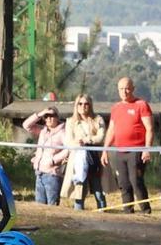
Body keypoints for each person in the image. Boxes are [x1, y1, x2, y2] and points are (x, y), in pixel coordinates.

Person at [107, 76, 154, 213]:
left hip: (136, 150)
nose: (124, 91)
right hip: (119, 151)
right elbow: (111, 130)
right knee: (123, 182)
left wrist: (147, 149)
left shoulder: (141, 105)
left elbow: (150, 129)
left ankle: (145, 209)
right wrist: (105, 150)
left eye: (127, 88)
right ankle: (127, 210)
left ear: (132, 88)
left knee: (136, 181)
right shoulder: (116, 108)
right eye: (121, 89)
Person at [66, 94, 109, 210]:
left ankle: (103, 214)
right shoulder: (70, 122)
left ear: (90, 105)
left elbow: (101, 137)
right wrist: (76, 142)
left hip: (94, 159)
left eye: (86, 104)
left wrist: (87, 140)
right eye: (80, 103)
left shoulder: (98, 119)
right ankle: (79, 217)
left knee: (98, 191)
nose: (83, 106)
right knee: (79, 192)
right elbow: (68, 141)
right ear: (76, 105)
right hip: (78, 161)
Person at [26, 106, 69, 205]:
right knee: (39, 207)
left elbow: (69, 149)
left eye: (52, 115)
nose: (49, 118)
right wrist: (40, 114)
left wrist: (53, 160)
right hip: (39, 173)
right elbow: (26, 125)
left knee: (52, 206)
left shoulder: (63, 132)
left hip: (52, 174)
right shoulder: (42, 131)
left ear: (57, 117)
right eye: (46, 116)